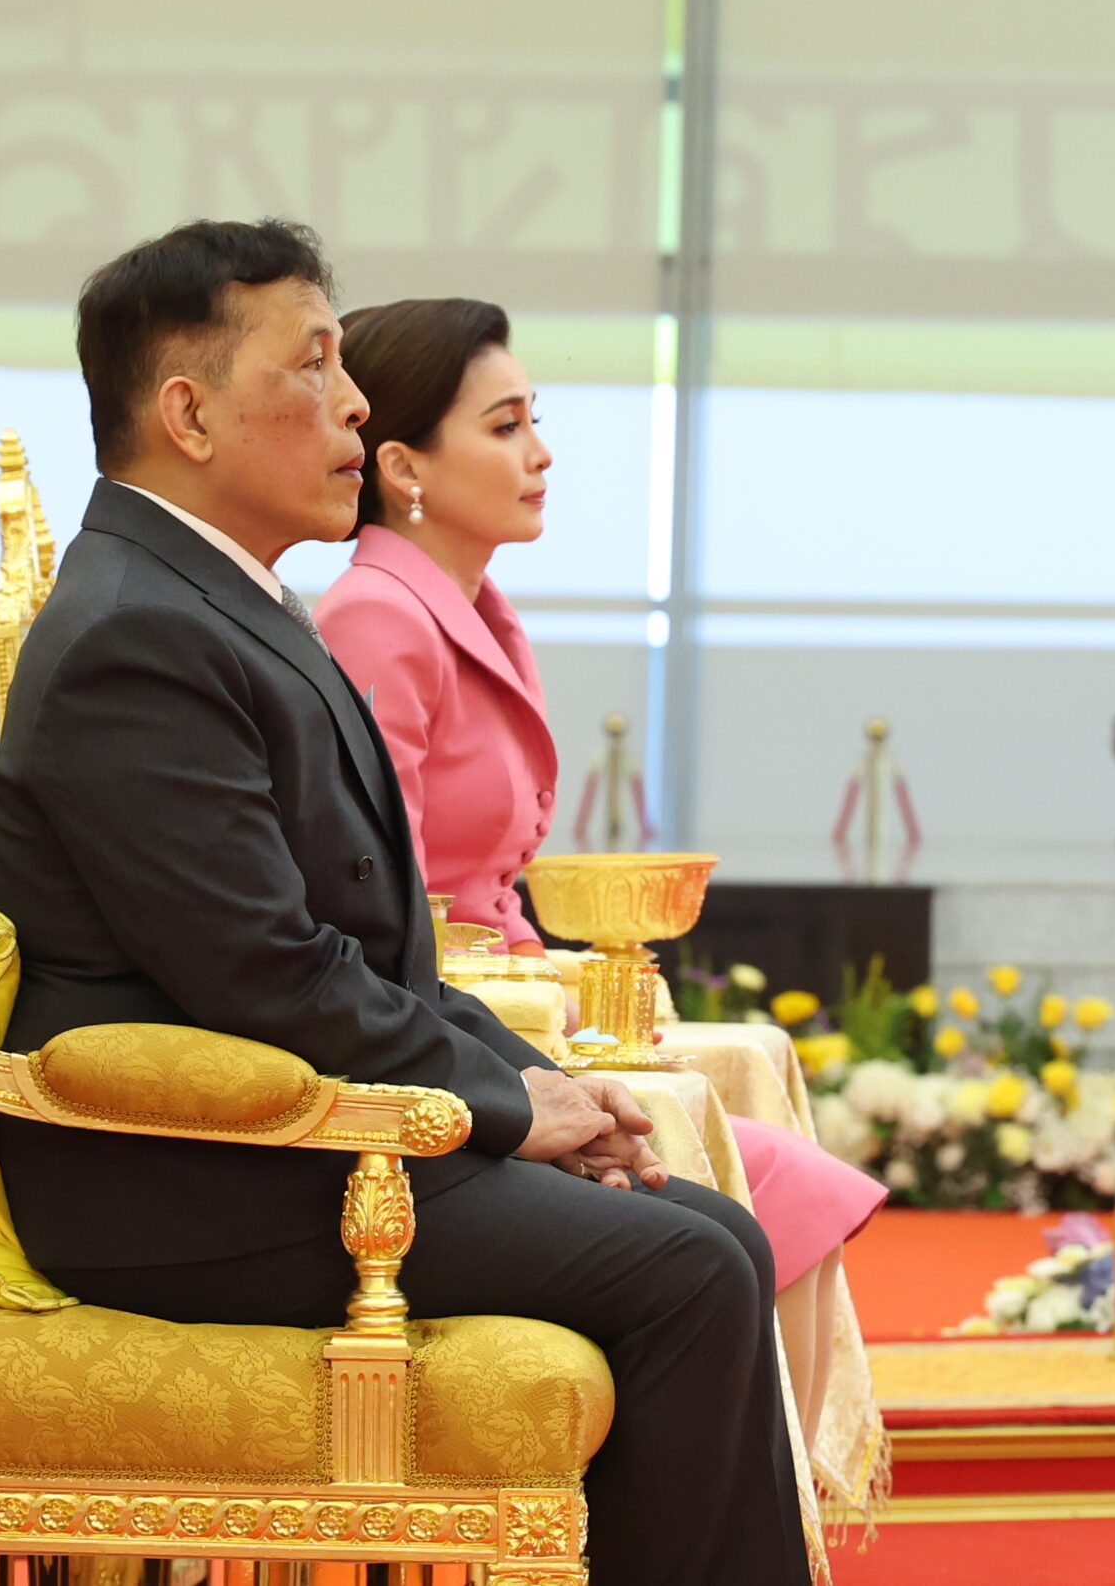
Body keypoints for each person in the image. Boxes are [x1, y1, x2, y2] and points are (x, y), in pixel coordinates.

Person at [0, 221, 809, 1586]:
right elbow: (266, 971)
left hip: (282, 1135)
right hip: (191, 1174)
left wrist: (550, 1089)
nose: (357, 402)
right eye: (314, 364)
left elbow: (381, 961)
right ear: (188, 411)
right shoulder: (139, 630)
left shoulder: (222, 601)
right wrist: (506, 1110)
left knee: (713, 1228)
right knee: (691, 1271)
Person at [314, 296, 886, 1294]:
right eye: (505, 427)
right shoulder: (376, 614)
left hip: (511, 998)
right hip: (460, 1030)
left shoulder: (475, 607)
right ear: (402, 467)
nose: (540, 453)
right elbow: (378, 905)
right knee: (768, 1183)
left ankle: (786, 1450)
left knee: (766, 1148)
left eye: (537, 420)